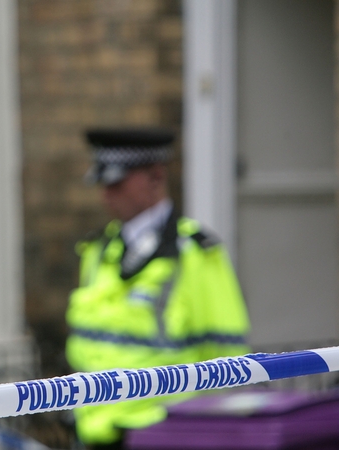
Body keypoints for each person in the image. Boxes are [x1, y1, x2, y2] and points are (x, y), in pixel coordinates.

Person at [65, 128, 251, 449]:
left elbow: (226, 355)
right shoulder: (96, 252)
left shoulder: (197, 254)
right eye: (103, 183)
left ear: (155, 177)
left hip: (167, 434)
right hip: (94, 432)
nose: (105, 194)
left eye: (117, 183)